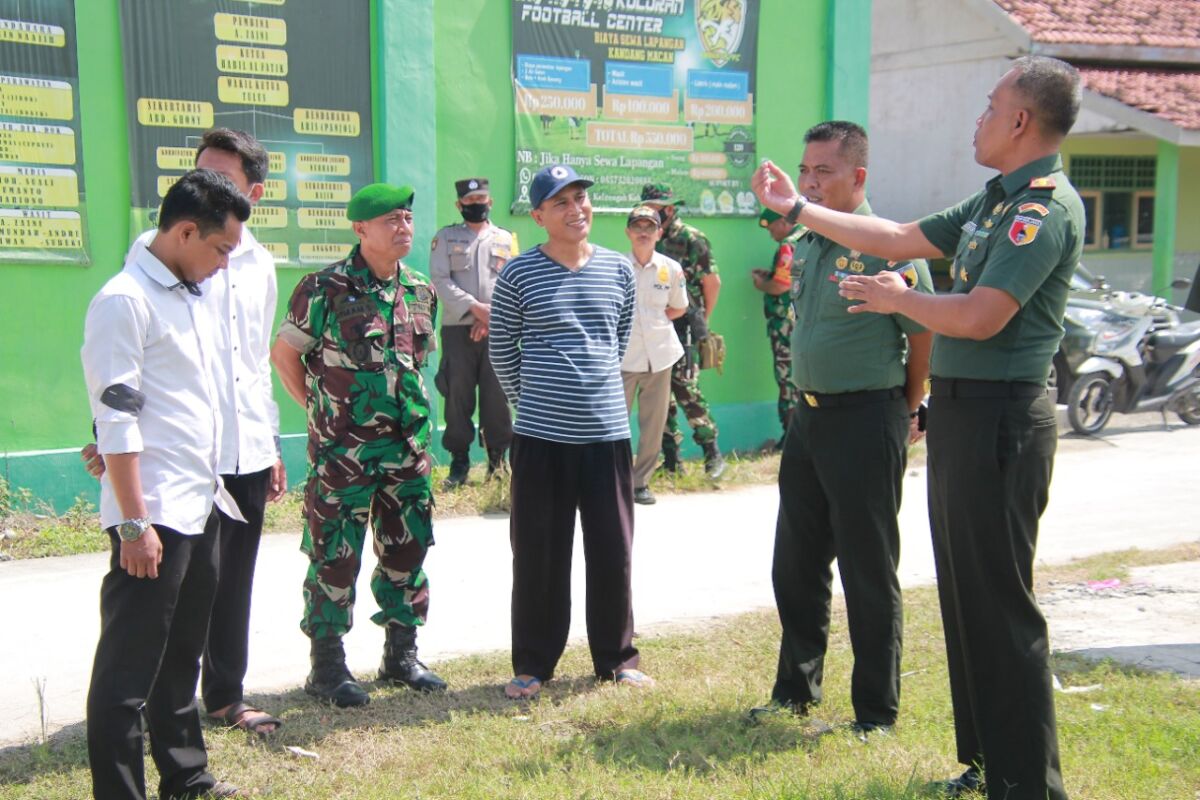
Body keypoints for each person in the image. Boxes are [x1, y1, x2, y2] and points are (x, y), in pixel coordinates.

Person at [754, 56, 1083, 800]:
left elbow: (980, 315)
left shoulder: (1041, 209)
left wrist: (897, 300)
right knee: (966, 602)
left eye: (990, 107)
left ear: (1020, 121)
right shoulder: (993, 201)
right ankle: (986, 766)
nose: (979, 118)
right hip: (964, 414)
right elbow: (899, 235)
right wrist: (796, 208)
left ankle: (1028, 786)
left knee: (1001, 606)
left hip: (1002, 416)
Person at [82, 128, 286, 737]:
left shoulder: (253, 264)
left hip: (236, 453)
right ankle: (142, 729)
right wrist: (110, 445)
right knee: (152, 619)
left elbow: (250, 361)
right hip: (170, 471)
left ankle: (221, 702)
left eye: (223, 176)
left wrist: (270, 438)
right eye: (202, 173)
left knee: (222, 591)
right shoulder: (153, 269)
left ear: (253, 191)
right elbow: (123, 371)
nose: (206, 183)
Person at [748, 122, 934, 741]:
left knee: (867, 567)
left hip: (866, 418)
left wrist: (908, 407)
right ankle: (795, 692)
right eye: (805, 170)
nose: (809, 182)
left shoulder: (890, 247)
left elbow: (923, 336)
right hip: (809, 419)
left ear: (858, 177)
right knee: (795, 563)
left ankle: (875, 711)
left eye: (822, 171)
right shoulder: (806, 244)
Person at [271, 183, 446, 708]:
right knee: (334, 554)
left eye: (407, 218)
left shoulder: (420, 290)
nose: (403, 227)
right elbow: (285, 356)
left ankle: (401, 655)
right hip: (343, 455)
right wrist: (321, 414)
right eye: (390, 219)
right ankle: (327, 666)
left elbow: (414, 365)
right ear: (360, 229)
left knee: (407, 549)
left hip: (407, 449)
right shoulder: (323, 287)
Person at [489, 163, 650, 699]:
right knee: (539, 555)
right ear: (538, 217)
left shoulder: (618, 269)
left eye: (580, 197)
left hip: (606, 435)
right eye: (560, 202)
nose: (576, 209)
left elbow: (617, 339)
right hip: (541, 440)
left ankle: (616, 659)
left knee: (613, 551)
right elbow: (502, 351)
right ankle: (533, 664)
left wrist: (588, 395)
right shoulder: (519, 274)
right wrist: (534, 403)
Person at [429, 177, 518, 489]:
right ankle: (459, 463)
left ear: (490, 202)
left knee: (497, 396)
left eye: (480, 199)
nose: (475, 204)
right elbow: (440, 280)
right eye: (469, 200)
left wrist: (490, 317)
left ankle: (497, 462)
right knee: (458, 396)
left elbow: (512, 283)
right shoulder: (445, 238)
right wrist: (475, 309)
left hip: (497, 330)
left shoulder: (506, 239)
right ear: (459, 204)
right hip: (458, 330)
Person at [639, 183, 725, 479]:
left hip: (684, 324)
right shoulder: (647, 238)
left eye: (654, 209)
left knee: (687, 389)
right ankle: (672, 459)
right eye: (645, 209)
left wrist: (702, 320)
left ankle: (712, 453)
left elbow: (712, 283)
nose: (649, 215)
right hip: (656, 325)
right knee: (658, 394)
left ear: (669, 209)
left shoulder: (691, 238)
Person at [620, 205, 689, 505]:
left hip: (660, 355)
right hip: (624, 357)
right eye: (637, 226)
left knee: (654, 423)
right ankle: (615, 478)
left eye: (650, 227)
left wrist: (654, 323)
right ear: (628, 232)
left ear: (659, 233)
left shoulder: (671, 268)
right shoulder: (616, 267)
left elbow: (679, 307)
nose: (643, 232)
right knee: (616, 422)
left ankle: (640, 482)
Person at [750, 207, 805, 445]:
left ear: (784, 221)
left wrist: (762, 284)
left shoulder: (788, 245)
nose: (771, 233)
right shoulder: (809, 238)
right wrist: (772, 274)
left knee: (787, 378)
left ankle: (792, 437)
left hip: (785, 326)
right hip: (804, 322)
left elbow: (781, 285)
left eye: (772, 228)